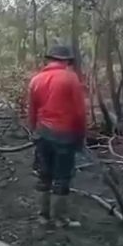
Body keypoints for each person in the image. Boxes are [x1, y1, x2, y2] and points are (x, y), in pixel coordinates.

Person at [27, 45, 87, 227]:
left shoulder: (35, 80)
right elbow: (80, 112)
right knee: (62, 177)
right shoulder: (70, 78)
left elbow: (32, 111)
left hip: (43, 134)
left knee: (44, 175)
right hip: (64, 135)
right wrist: (81, 135)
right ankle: (60, 219)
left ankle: (43, 217)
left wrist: (33, 131)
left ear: (50, 60)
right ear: (66, 61)